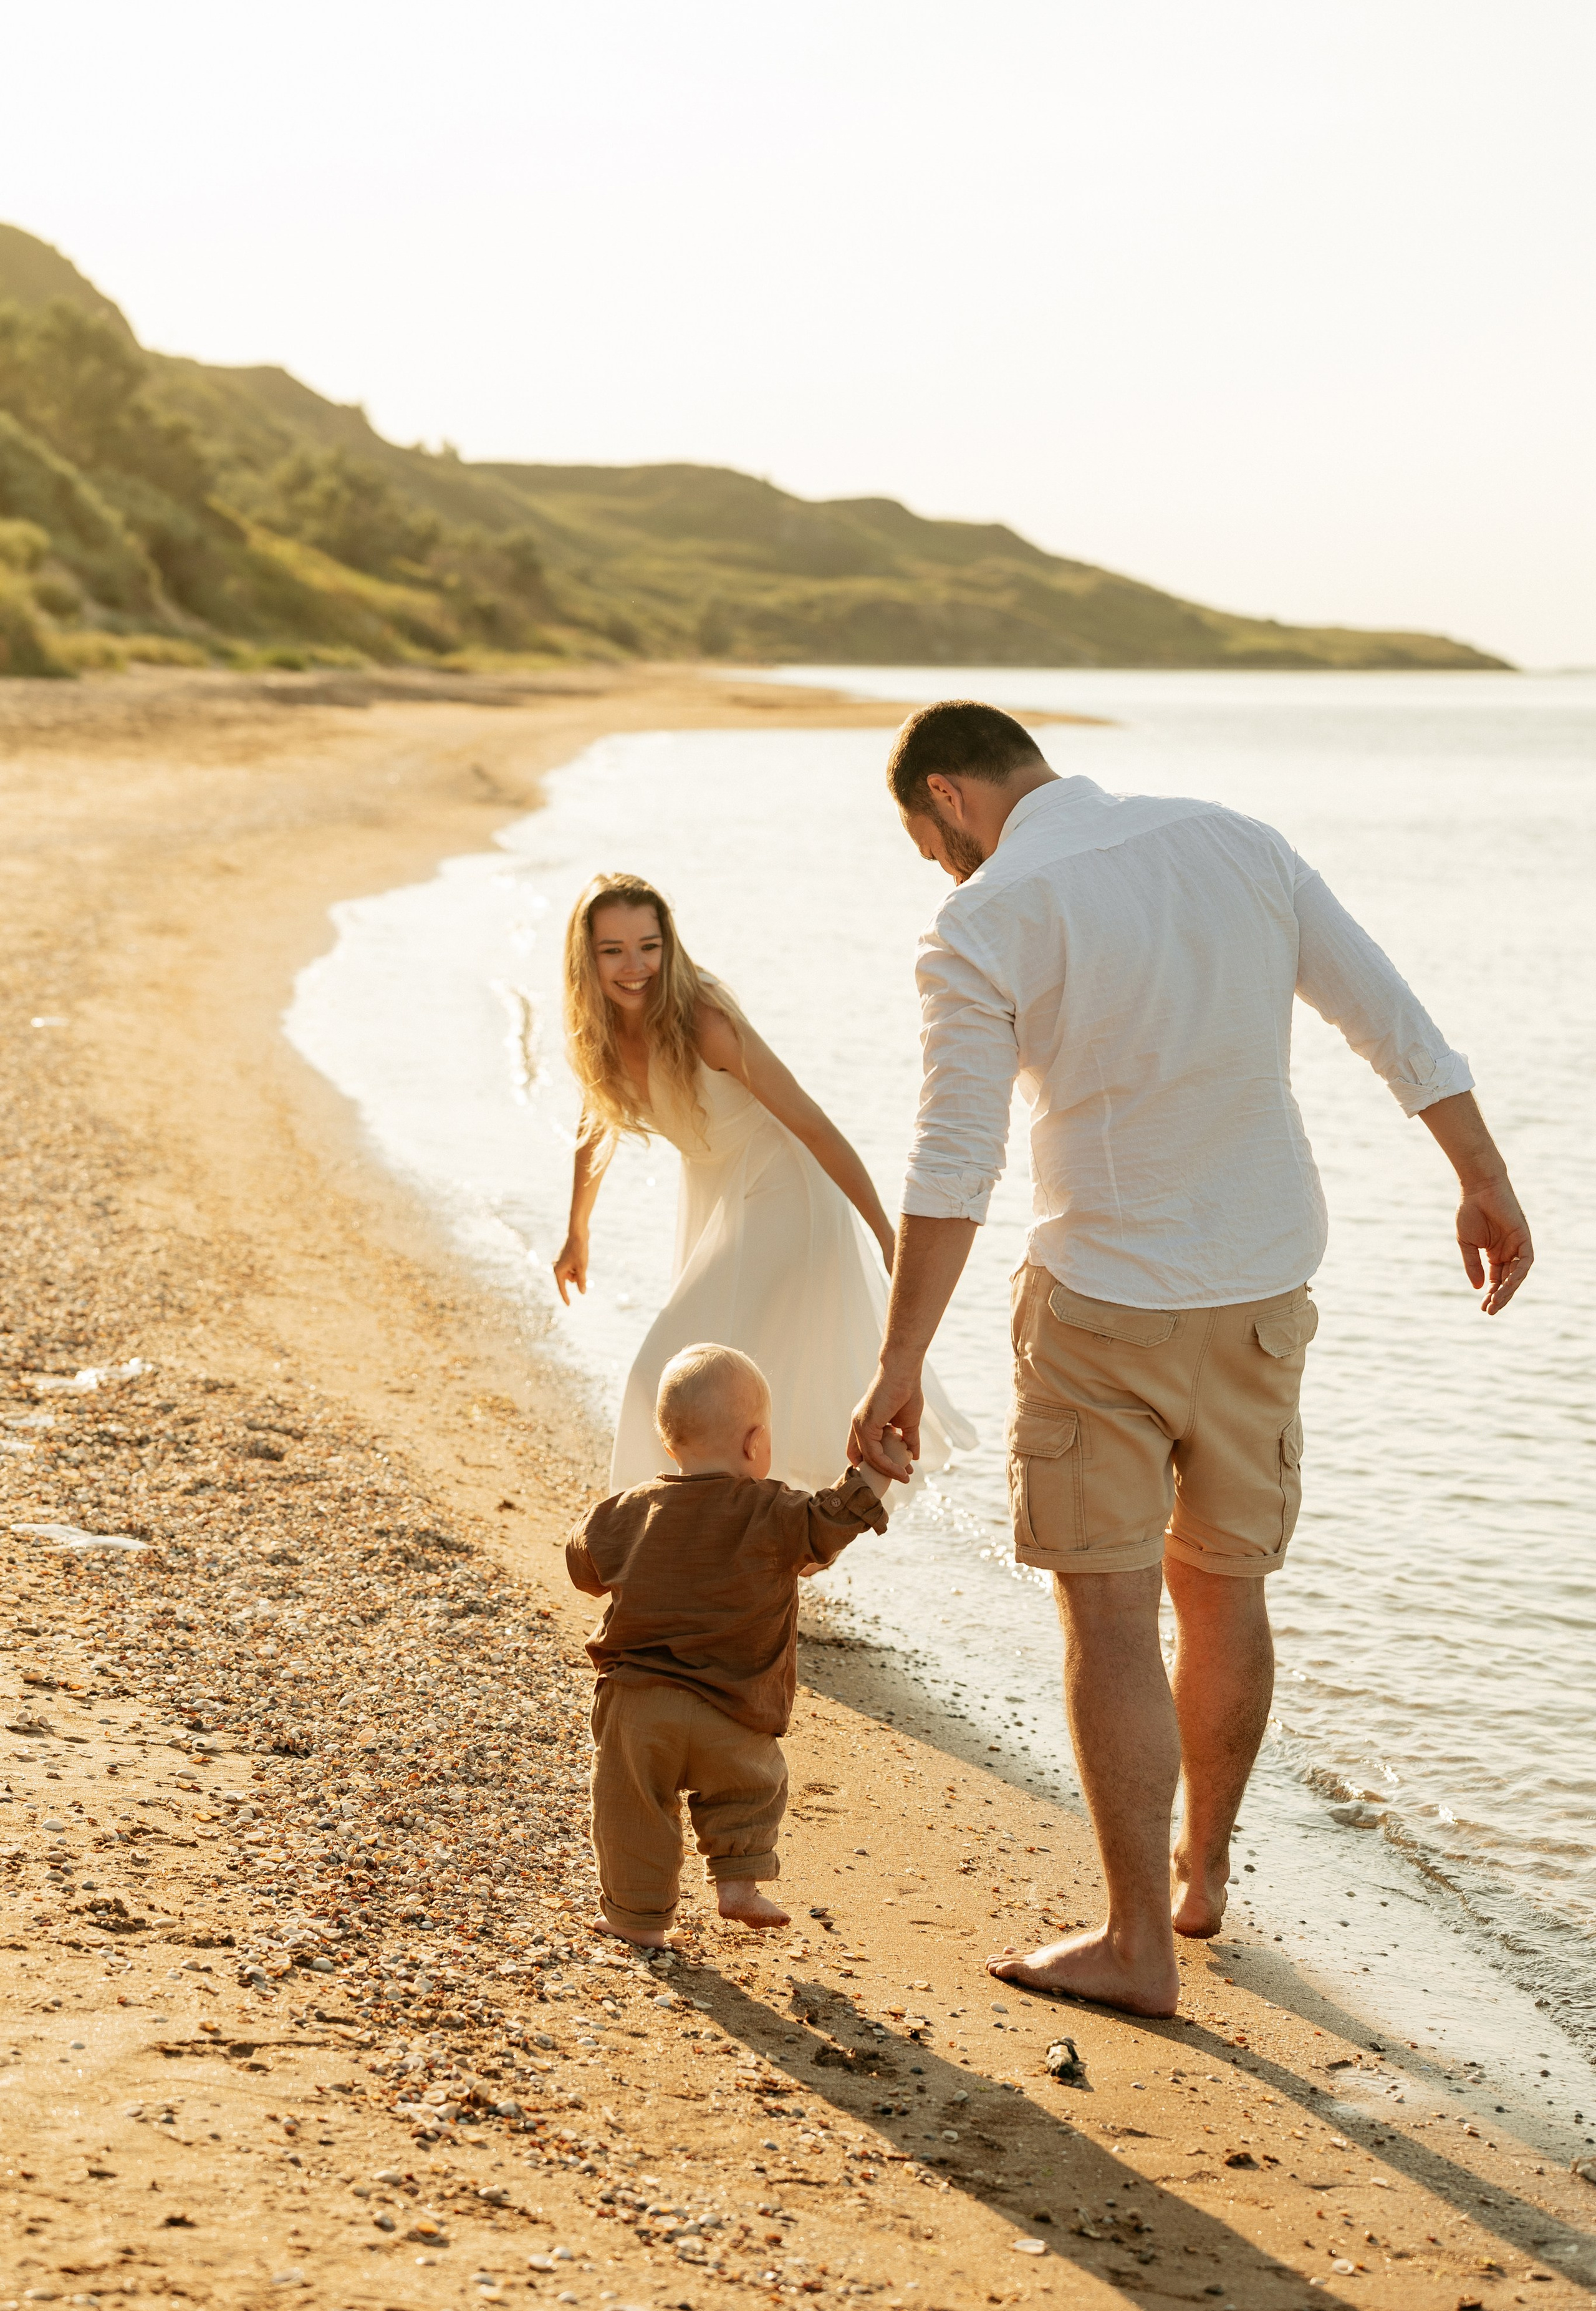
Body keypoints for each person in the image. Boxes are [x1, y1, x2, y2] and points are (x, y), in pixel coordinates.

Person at [849, 699, 1534, 2019]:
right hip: (1264, 1287)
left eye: (929, 841)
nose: (941, 867)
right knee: (1221, 1590)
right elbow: (1386, 1016)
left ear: (946, 797)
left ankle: (1132, 1944)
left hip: (1101, 1302)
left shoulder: (984, 916)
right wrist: (1482, 1178)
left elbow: (953, 1159)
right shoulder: (1233, 841)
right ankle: (1201, 1873)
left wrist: (897, 1360)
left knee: (1106, 1611)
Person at [554, 871, 973, 1497]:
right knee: (736, 1385)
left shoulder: (704, 1021)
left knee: (663, 1376)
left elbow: (813, 1124)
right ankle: (725, 1537)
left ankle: (644, 1542)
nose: (634, 965)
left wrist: (890, 1237)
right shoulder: (602, 1033)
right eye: (612, 950)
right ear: (586, 960)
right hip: (723, 1197)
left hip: (785, 1193)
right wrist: (576, 1231)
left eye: (648, 945)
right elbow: (596, 1117)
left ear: (669, 946)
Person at [567, 1341, 908, 1946]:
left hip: (638, 1707)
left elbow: (584, 1565)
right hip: (735, 1709)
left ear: (668, 1443)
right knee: (752, 1788)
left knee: (629, 1810)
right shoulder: (773, 1511)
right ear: (755, 1444)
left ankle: (635, 1920)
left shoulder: (628, 1511)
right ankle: (738, 1881)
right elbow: (833, 1518)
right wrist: (877, 1470)